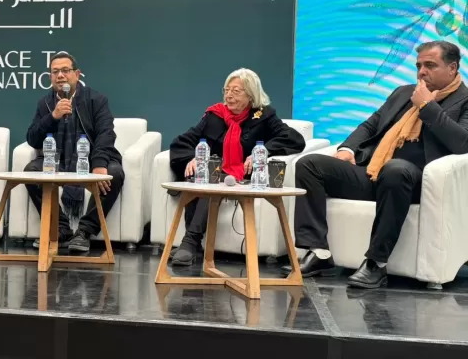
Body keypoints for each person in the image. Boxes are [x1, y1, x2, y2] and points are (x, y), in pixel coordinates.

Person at [285, 40, 468, 289]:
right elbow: (371, 125)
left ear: (452, 68)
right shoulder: (403, 93)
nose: (422, 72)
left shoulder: (464, 100)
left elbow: (462, 143)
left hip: (422, 184)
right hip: (376, 174)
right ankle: (318, 252)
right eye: (418, 66)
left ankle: (376, 263)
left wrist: (427, 106)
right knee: (310, 164)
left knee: (396, 169)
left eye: (430, 65)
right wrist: (347, 149)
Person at [169, 68, 305, 265]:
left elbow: (294, 139)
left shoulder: (264, 116)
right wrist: (192, 158)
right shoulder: (215, 115)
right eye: (226, 90)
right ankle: (191, 245)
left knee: (211, 181)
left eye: (236, 91)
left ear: (250, 94)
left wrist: (263, 150)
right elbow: (183, 141)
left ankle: (190, 243)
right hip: (214, 172)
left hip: (244, 176)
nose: (229, 95)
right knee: (203, 176)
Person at [24, 52, 125, 253]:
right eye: (55, 72)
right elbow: (33, 139)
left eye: (65, 70)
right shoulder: (45, 103)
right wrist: (53, 116)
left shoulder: (96, 99)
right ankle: (61, 229)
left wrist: (99, 164)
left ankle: (84, 232)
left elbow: (106, 133)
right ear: (50, 77)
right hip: (58, 161)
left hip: (90, 159)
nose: (60, 75)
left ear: (77, 75)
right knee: (31, 171)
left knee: (114, 173)